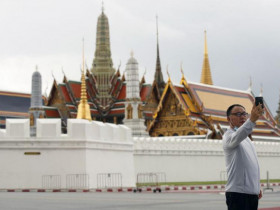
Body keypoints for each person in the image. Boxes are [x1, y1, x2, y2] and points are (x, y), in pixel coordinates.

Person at [223, 103, 263, 210]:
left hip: (251, 194)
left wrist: (256, 186)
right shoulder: (228, 136)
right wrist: (252, 120)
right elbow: (240, 133)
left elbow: (252, 165)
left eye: (244, 114)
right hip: (238, 194)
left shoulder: (247, 139)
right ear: (228, 118)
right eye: (238, 114)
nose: (242, 117)